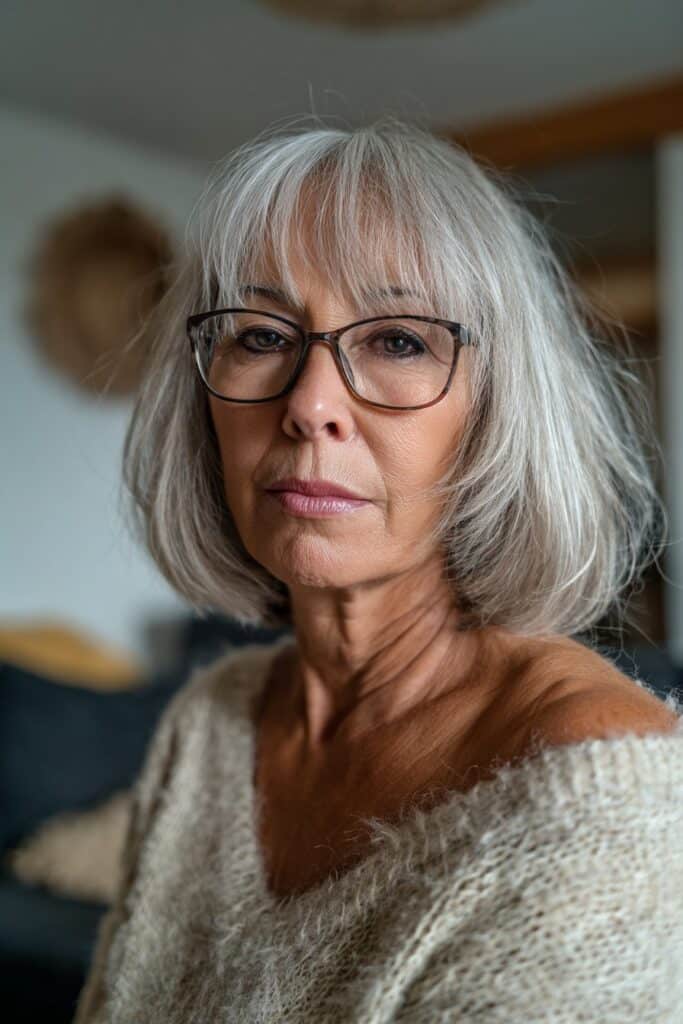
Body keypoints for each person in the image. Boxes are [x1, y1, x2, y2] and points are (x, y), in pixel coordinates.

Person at [73, 115, 683, 1023]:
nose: (310, 404)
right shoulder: (211, 722)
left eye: (398, 340)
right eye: (260, 334)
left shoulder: (604, 798)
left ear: (496, 412)